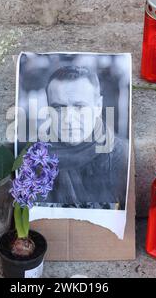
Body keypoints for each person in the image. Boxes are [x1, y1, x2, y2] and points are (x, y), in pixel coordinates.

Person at [41, 65, 129, 209]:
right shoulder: (34, 159)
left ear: (98, 106)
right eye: (58, 107)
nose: (68, 119)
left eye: (79, 106)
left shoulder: (122, 157)